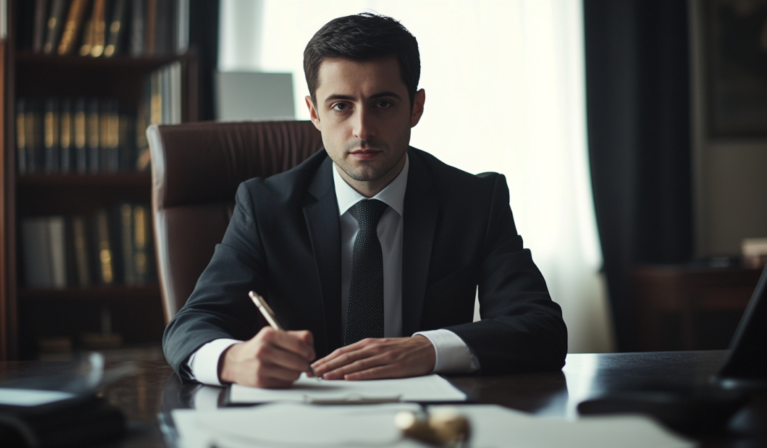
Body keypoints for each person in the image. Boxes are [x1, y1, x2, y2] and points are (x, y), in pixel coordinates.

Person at [163, 13, 567, 388]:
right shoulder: (265, 205)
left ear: (416, 107)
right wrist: (232, 359)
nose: (362, 129)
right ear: (314, 113)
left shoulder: (475, 201)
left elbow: (541, 327)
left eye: (383, 104)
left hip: (428, 419)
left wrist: (429, 349)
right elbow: (191, 324)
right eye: (341, 105)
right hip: (304, 418)